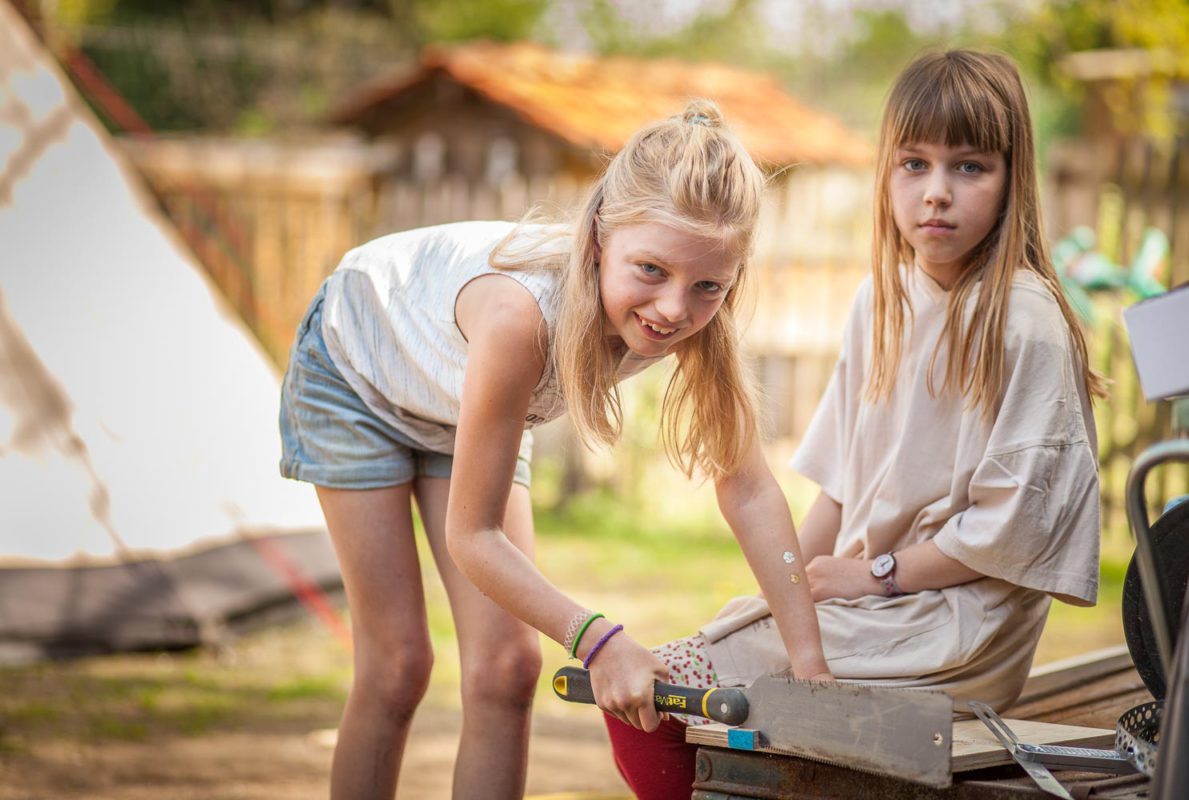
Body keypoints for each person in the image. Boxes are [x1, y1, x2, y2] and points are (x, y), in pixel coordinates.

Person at [278, 99, 832, 800]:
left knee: (508, 669)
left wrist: (809, 664)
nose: (673, 311)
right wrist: (600, 640)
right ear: (599, 236)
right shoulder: (522, 319)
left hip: (458, 397)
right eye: (651, 270)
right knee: (397, 665)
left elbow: (750, 490)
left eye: (708, 287)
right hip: (357, 370)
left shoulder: (698, 327)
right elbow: (472, 537)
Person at [605, 50, 1107, 799]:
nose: (936, 194)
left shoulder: (1024, 324)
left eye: (969, 168)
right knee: (687, 664)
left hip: (956, 628)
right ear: (886, 172)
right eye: (914, 164)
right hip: (873, 604)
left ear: (1013, 180)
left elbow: (1010, 535)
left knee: (672, 686)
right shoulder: (883, 301)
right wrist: (789, 591)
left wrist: (872, 576)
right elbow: (838, 488)